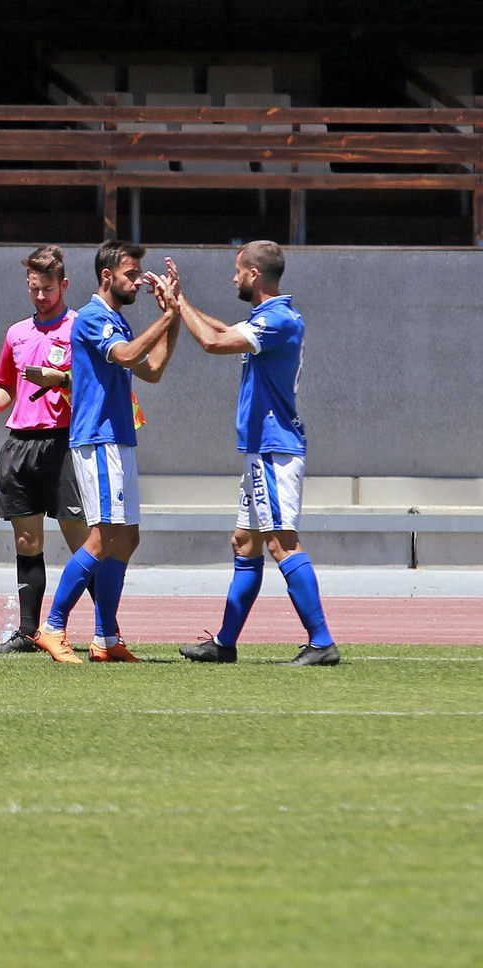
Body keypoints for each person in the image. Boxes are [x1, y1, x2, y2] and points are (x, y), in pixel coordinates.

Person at [170, 244, 340, 666]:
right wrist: (181, 305)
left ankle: (322, 642)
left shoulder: (278, 320)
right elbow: (224, 331)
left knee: (282, 544)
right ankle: (225, 644)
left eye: (238, 271)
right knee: (245, 542)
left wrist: (177, 304)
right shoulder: (270, 318)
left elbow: (212, 341)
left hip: (274, 448)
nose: (233, 278)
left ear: (255, 275)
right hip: (261, 449)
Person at [34, 240, 179, 665]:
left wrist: (170, 319)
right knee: (101, 538)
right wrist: (168, 314)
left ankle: (106, 638)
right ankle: (52, 627)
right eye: (131, 274)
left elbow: (150, 370)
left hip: (119, 438)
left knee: (127, 538)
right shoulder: (94, 316)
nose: (137, 281)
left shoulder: (116, 319)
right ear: (106, 276)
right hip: (97, 439)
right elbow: (129, 355)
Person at [0, 246, 92, 654]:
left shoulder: (80, 328)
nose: (41, 296)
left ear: (65, 284)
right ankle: (28, 633)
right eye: (35, 289)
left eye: (48, 289)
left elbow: (93, 390)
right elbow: (6, 386)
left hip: (63, 443)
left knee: (83, 542)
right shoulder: (16, 333)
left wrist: (59, 379)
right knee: (27, 541)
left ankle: (106, 631)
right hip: (19, 444)